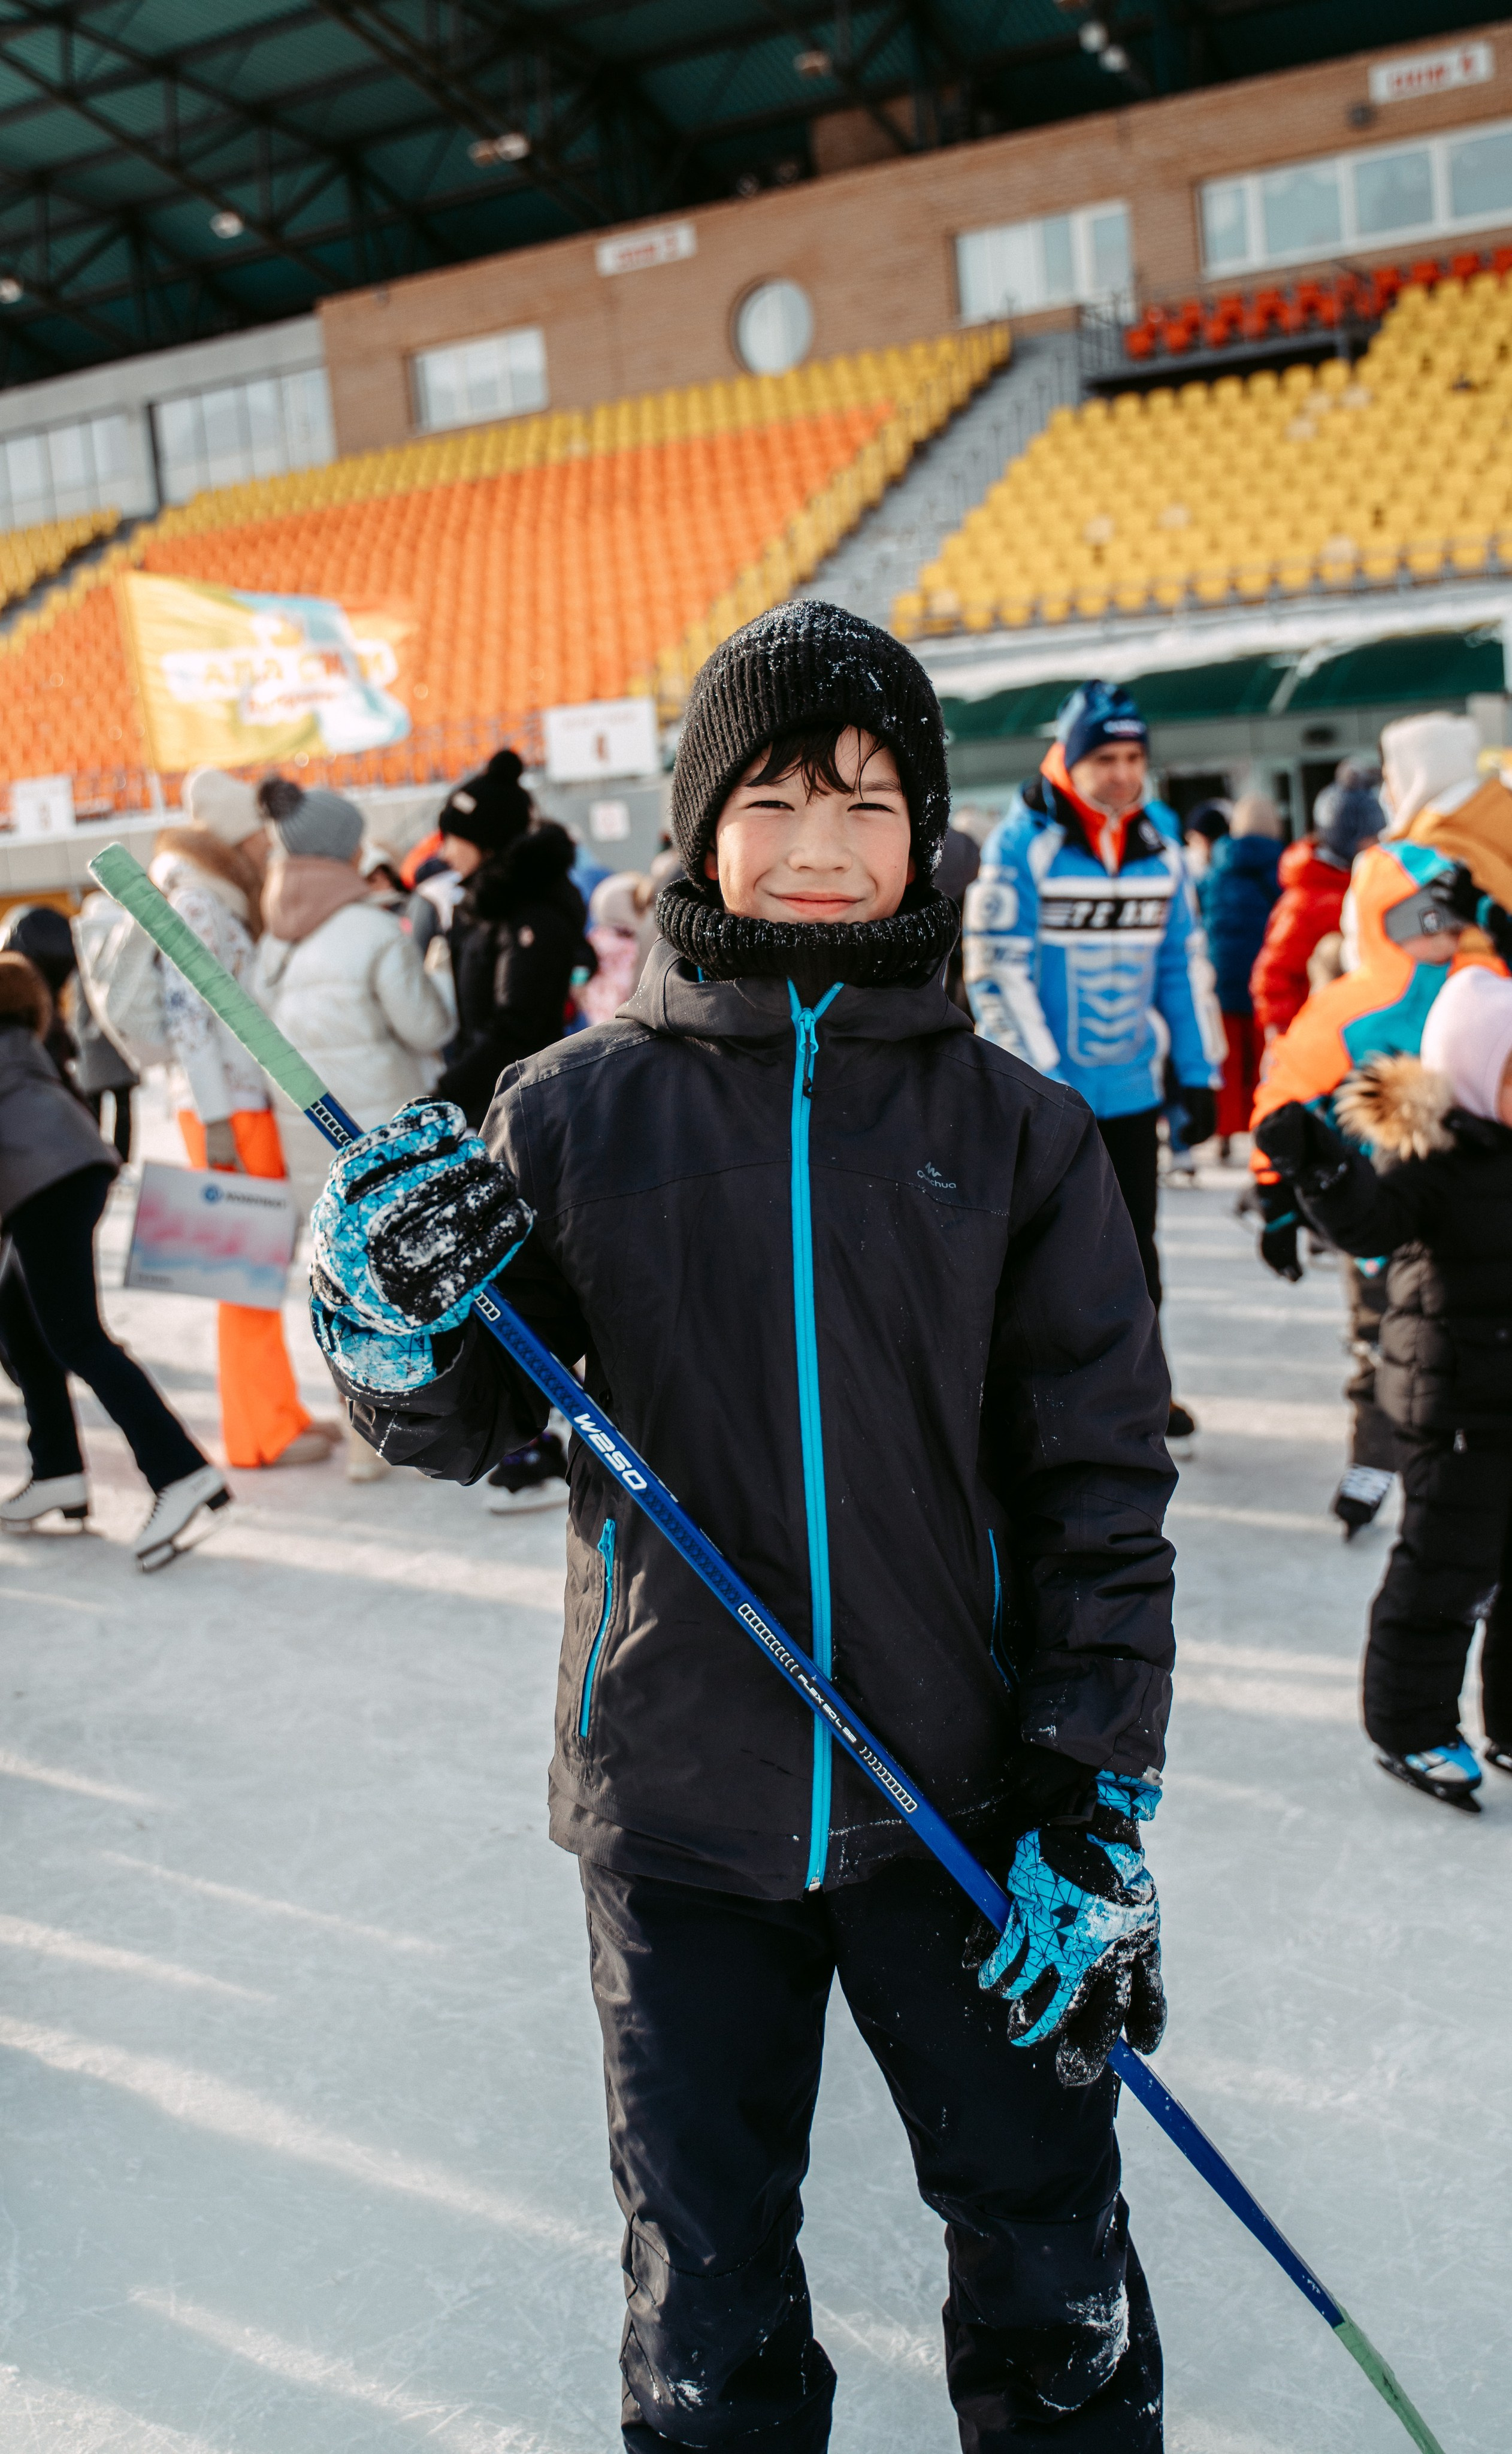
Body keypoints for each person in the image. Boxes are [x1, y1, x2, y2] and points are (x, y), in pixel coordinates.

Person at [308, 602, 1176, 2453]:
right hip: (678, 1806)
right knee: (706, 2287)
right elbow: (464, 1425)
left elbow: (1098, 1481)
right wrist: (384, 1316)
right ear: (701, 826)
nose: (816, 845)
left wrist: (1091, 1795)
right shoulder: (567, 1116)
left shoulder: (1015, 1135)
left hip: (964, 1815)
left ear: (923, 831)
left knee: (1046, 2249)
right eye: (770, 796)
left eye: (865, 800)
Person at [1254, 953, 1512, 1811]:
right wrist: (1320, 1167)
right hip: (1458, 1412)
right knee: (1444, 1574)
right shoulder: (1434, 1162)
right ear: (1477, 1074)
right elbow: (1368, 1219)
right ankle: (1413, 1728)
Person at [962, 677, 1223, 1442]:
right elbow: (995, 971)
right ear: (1070, 761)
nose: (1121, 772)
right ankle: (1030, 1398)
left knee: (1135, 1249)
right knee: (1042, 1255)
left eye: (1133, 755)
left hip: (1130, 1094)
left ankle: (1141, 1384)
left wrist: (1200, 1071)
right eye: (1104, 756)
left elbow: (1183, 963)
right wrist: (1043, 1088)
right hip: (1047, 1103)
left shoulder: (1160, 845)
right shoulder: (1021, 844)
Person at [1247, 838, 1486, 1536]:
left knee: (1470, 1335)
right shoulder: (1349, 1009)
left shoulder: (1482, 981)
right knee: (1383, 1340)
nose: (1443, 930)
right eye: (1426, 915)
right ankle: (1374, 1455)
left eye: (1451, 914)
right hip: (1376, 1211)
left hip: (1472, 1209)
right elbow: (1281, 1102)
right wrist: (1276, 1202)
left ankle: (1463, 1459)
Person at [0, 951, 230, 1567]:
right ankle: (57, 1471)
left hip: (43, 1183)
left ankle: (181, 1473)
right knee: (22, 1322)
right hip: (66, 1170)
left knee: (76, 1337)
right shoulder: (23, 1042)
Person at [253, 787, 453, 1483]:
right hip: (382, 1134)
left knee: (337, 1279)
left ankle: (361, 1429)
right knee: (419, 1269)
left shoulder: (272, 945)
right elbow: (428, 1028)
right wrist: (441, 978)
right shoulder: (371, 932)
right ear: (346, 847)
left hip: (306, 1135)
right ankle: (433, 1419)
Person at [151, 768, 336, 1471]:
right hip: (225, 1108)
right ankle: (258, 1432)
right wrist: (220, 1116)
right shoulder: (196, 902)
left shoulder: (212, 896)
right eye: (259, 836)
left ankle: (276, 1410)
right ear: (233, 838)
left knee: (257, 1260)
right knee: (243, 1266)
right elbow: (186, 1014)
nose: (269, 847)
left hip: (235, 1101)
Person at [1249, 775, 1386, 1043]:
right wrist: (1283, 1036)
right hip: (1318, 1035)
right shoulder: (1307, 900)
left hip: (1356, 1027)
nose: (1377, 845)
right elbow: (1273, 974)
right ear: (1350, 841)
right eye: (1370, 838)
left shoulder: (1361, 883)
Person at [1197, 793, 1281, 1158]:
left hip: (1224, 974)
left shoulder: (1218, 868)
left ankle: (1225, 1135)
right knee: (1264, 1059)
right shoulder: (1279, 867)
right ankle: (1265, 1127)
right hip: (1265, 977)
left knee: (1228, 1063)